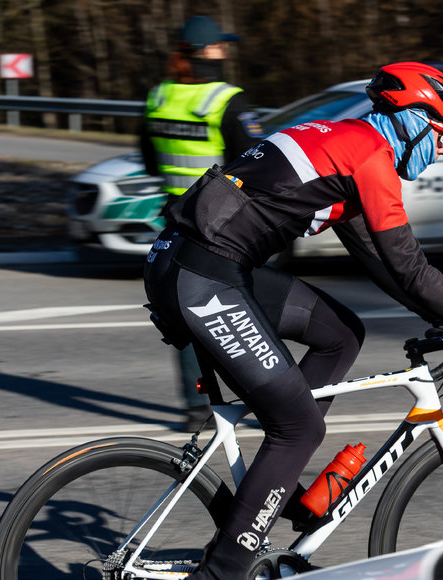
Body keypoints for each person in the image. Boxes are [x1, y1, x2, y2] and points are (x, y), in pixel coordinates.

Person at [143, 62, 443, 579]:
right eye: (442, 135)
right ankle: (222, 572)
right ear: (414, 118)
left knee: (340, 333)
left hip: (196, 262)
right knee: (298, 428)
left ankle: (272, 490)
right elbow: (410, 266)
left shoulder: (344, 141)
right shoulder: (369, 158)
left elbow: (387, 269)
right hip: (202, 274)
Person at [139, 15, 264, 431]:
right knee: (245, 312)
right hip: (224, 225)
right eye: (221, 45)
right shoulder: (226, 100)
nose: (226, 50)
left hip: (176, 220)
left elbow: (149, 160)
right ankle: (268, 397)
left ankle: (198, 406)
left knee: (186, 312)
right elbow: (256, 166)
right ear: (208, 51)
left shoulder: (159, 96)